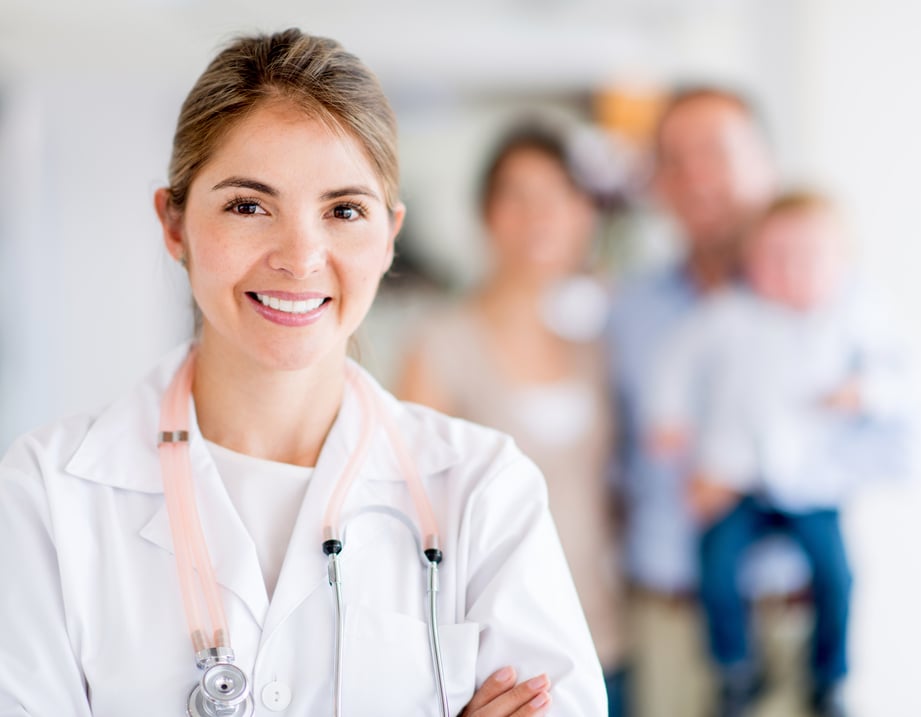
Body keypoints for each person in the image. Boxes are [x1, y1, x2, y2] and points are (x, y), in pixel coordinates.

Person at [0, 29, 607, 716]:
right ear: (173, 224)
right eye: (248, 205)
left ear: (388, 237)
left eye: (344, 210)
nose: (300, 255)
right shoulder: (49, 498)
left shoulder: (484, 491)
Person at [648, 191, 913, 716]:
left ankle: (830, 676)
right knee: (716, 569)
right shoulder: (727, 315)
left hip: (812, 483)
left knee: (838, 576)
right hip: (735, 479)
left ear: (841, 264)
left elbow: (906, 379)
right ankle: (733, 669)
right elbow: (675, 361)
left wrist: (866, 392)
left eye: (808, 257)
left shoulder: (855, 317)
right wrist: (669, 417)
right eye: (775, 257)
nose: (790, 271)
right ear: (751, 261)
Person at [396, 122, 629, 715]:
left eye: (559, 197)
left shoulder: (600, 340)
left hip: (607, 639)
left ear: (585, 214)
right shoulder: (442, 342)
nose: (539, 217)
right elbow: (407, 517)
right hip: (498, 665)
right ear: (486, 213)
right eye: (517, 197)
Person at [606, 87, 798, 717]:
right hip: (666, 620)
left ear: (766, 163)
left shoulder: (822, 297)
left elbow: (890, 445)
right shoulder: (630, 311)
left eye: (715, 153)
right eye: (674, 160)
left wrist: (749, 471)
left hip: (785, 619)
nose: (695, 178)